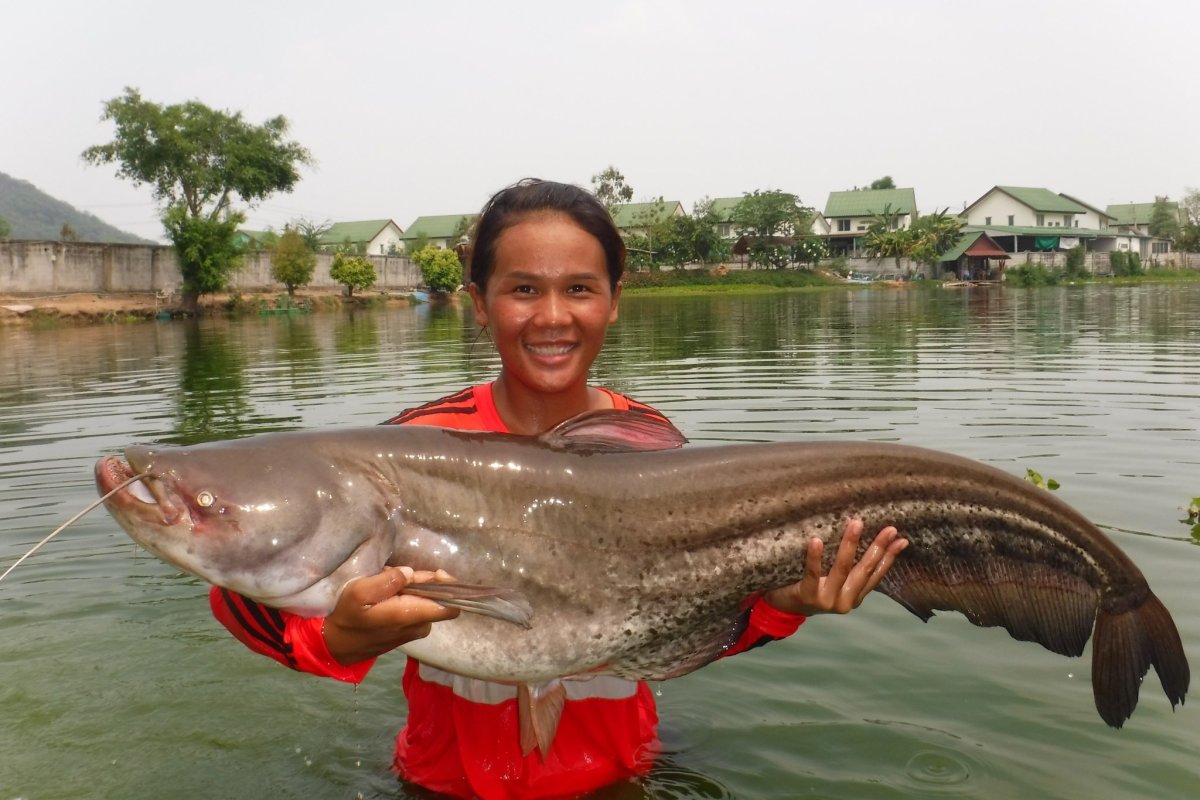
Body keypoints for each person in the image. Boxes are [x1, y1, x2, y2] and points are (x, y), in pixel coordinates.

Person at [210, 179, 908, 799]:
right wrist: (340, 639)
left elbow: (682, 622)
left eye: (579, 287)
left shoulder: (649, 445)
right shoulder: (411, 447)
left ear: (613, 303)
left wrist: (783, 605)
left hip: (620, 779)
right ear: (479, 304)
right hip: (442, 785)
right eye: (522, 289)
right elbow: (242, 591)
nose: (552, 316)